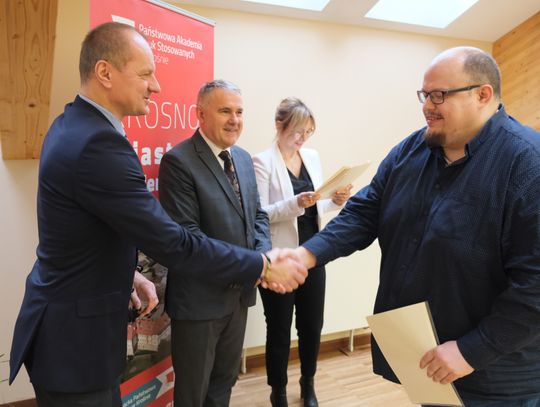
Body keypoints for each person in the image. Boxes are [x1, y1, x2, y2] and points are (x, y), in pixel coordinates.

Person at [9, 22, 307, 407]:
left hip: (70, 330)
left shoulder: (72, 124)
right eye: (146, 74)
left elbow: (80, 232)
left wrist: (128, 275)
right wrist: (262, 266)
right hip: (75, 346)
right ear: (105, 73)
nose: (156, 86)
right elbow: (174, 242)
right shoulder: (99, 144)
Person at [294, 46, 540, 407]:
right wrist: (306, 255)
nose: (427, 106)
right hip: (428, 365)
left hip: (497, 378)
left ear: (482, 95)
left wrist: (472, 351)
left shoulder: (528, 164)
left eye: (439, 95)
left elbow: (535, 285)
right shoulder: (411, 151)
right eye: (424, 95)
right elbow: (365, 211)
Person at [158, 79, 272, 407]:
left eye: (239, 112)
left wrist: (262, 258)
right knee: (193, 394)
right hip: (199, 303)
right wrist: (251, 265)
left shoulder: (244, 159)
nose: (234, 120)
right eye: (225, 111)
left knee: (223, 384)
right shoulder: (179, 162)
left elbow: (258, 216)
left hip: (239, 298)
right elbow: (189, 236)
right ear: (200, 115)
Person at [252, 97, 352, 407]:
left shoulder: (311, 156)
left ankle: (308, 383)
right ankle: (278, 390)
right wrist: (295, 203)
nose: (302, 138)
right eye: (297, 131)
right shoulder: (261, 162)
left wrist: (335, 200)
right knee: (279, 328)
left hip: (313, 255)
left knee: (311, 325)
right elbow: (259, 214)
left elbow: (316, 206)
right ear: (279, 125)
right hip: (279, 259)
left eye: (308, 132)